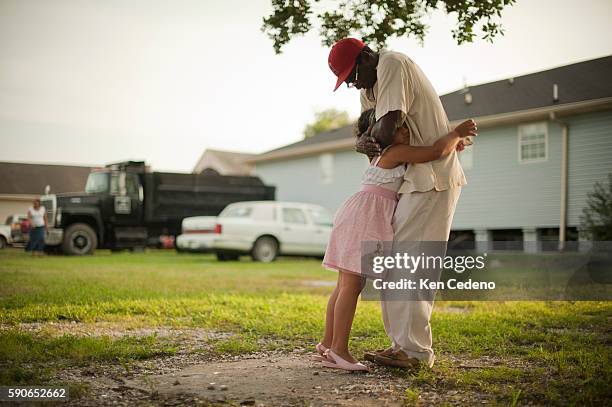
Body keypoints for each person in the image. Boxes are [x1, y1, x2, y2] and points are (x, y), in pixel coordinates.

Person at [327, 38, 476, 368]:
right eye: (346, 80)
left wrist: (371, 137)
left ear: (367, 57)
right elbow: (367, 136)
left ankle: (414, 351)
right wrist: (368, 138)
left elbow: (383, 130)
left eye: (352, 74)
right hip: (410, 181)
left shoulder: (390, 63)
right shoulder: (369, 89)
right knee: (395, 266)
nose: (353, 84)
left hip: (430, 180)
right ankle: (401, 346)